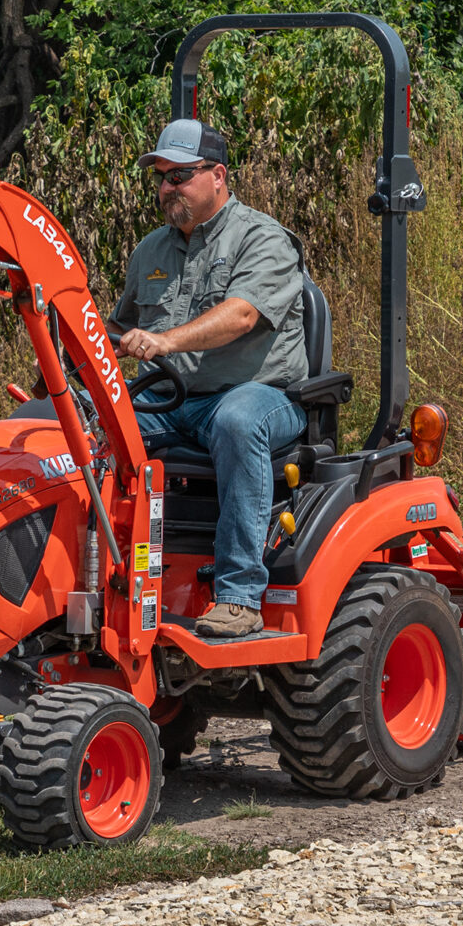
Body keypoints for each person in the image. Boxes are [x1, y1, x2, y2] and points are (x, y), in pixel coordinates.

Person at [107, 118, 308, 638]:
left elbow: (242, 315)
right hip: (172, 400)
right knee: (88, 421)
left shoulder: (263, 238)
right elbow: (118, 328)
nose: (167, 187)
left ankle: (239, 596)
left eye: (180, 175)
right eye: (161, 177)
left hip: (260, 396)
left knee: (239, 423)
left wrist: (167, 341)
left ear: (218, 175)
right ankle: (100, 577)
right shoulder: (151, 250)